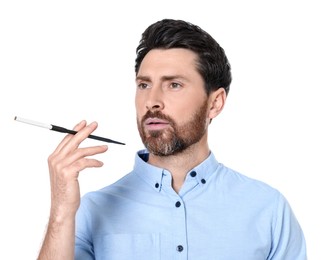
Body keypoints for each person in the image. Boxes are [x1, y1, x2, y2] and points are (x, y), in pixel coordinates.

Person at [37, 19, 307, 260]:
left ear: (215, 104)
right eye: (144, 85)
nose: (152, 101)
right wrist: (61, 212)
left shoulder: (268, 209)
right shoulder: (90, 210)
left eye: (173, 84)